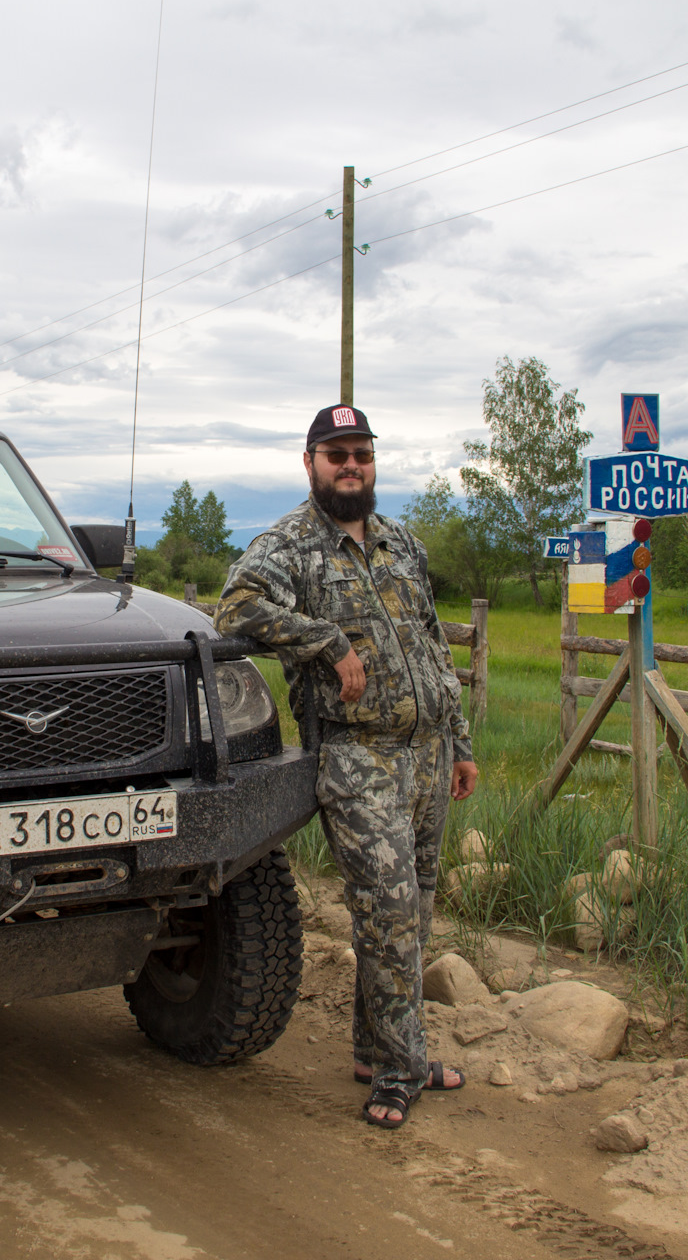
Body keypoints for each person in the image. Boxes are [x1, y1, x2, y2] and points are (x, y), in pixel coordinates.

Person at [215, 404, 480, 1128]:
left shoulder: (402, 543)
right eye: (336, 454)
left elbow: (432, 642)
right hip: (356, 756)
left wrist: (457, 740)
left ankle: (374, 1047)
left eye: (360, 451)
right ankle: (400, 1070)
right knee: (387, 913)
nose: (351, 464)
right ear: (311, 465)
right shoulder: (291, 545)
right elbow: (233, 609)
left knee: (415, 914)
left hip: (426, 756)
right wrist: (323, 640)